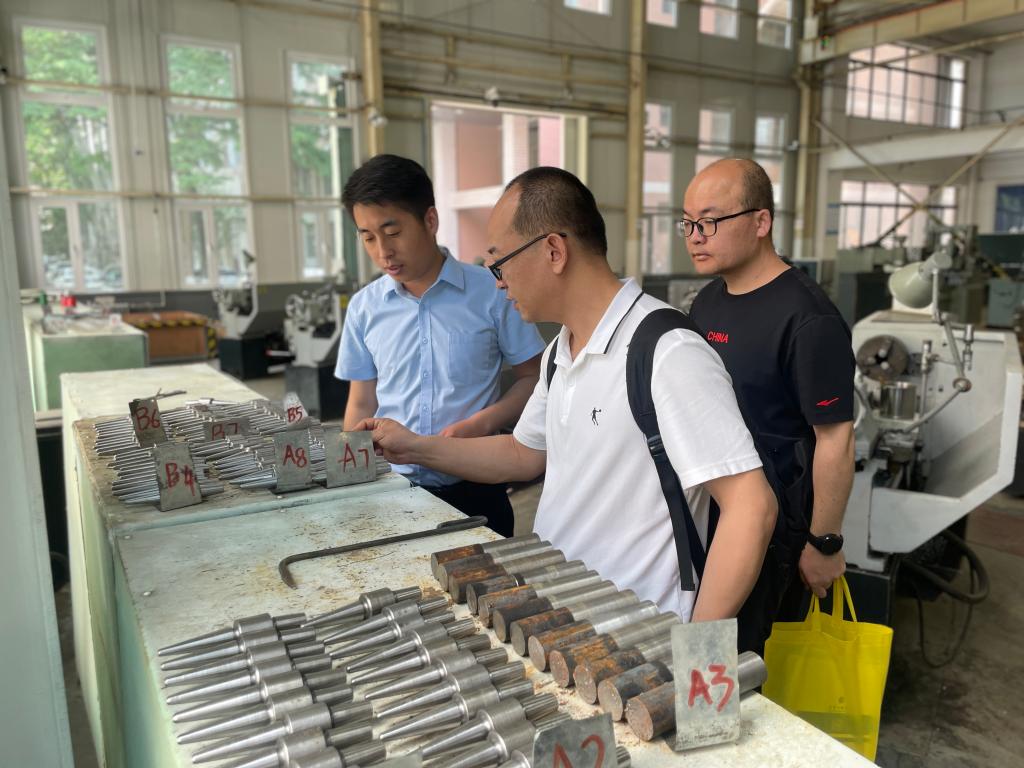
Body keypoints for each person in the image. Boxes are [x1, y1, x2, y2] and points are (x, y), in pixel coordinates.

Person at [359, 166, 777, 628]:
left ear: (554, 251)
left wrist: (696, 652)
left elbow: (750, 506)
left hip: (638, 634)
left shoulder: (666, 351)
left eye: (500, 263)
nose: (498, 282)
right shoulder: (562, 350)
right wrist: (412, 446)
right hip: (562, 618)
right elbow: (521, 454)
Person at [685, 158, 856, 635]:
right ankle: (702, 684)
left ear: (761, 222)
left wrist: (824, 543)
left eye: (710, 222)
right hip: (709, 510)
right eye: (688, 223)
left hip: (774, 529)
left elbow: (836, 439)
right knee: (702, 631)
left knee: (747, 652)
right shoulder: (708, 301)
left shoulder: (808, 318)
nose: (695, 236)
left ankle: (713, 687)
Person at [336, 154, 544, 536]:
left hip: (476, 486)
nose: (382, 251)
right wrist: (351, 476)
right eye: (368, 237)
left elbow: (534, 378)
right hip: (393, 491)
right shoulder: (365, 308)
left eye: (392, 232)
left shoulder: (492, 291)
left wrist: (484, 422)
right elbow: (362, 402)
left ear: (430, 220)